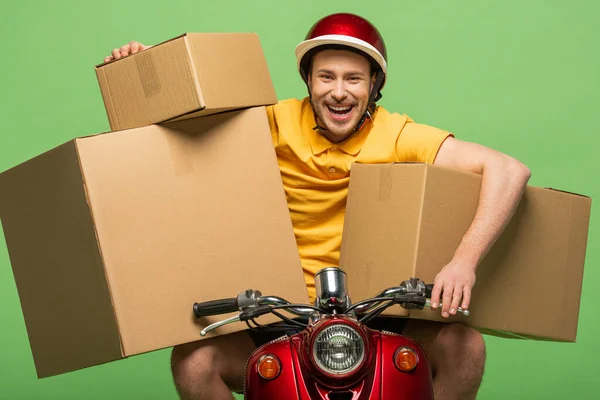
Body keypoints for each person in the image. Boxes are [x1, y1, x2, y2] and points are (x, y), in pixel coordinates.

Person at [104, 13, 531, 400]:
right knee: (194, 362)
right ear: (308, 81)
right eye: (326, 77)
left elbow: (509, 170)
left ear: (374, 86)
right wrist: (143, 70)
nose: (340, 92)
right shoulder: (271, 121)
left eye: (354, 79)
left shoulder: (397, 134)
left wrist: (464, 261)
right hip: (277, 313)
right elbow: (183, 139)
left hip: (378, 312)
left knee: (466, 347)